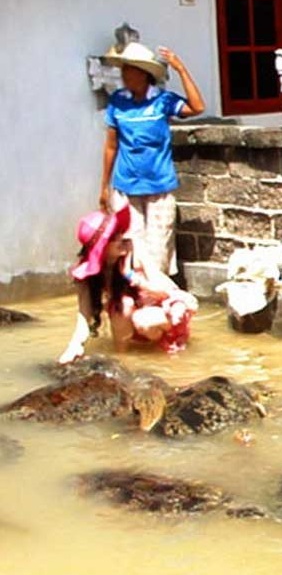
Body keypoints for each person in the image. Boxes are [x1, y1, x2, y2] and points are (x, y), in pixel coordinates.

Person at [100, 41, 205, 276]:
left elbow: (197, 107)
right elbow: (111, 145)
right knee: (130, 246)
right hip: (126, 185)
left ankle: (156, 296)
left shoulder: (163, 101)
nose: (125, 75)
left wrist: (180, 69)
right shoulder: (118, 101)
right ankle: (133, 298)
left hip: (159, 184)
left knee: (158, 249)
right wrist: (104, 186)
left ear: (144, 74)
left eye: (130, 70)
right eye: (124, 70)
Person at [59, 207, 198, 364]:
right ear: (102, 248)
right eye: (113, 236)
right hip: (134, 325)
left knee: (141, 318)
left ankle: (167, 358)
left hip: (165, 319)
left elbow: (167, 292)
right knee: (121, 306)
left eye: (119, 231)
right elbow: (84, 315)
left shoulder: (135, 256)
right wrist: (75, 346)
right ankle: (122, 360)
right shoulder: (89, 277)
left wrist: (130, 275)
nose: (121, 236)